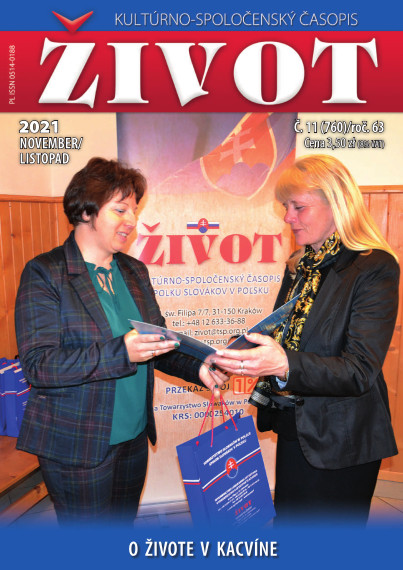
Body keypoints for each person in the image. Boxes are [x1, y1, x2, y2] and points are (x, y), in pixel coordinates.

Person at [14, 157, 225, 525]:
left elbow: (159, 343)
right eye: (120, 209)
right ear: (86, 212)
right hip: (77, 442)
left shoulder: (132, 270)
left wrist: (199, 368)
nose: (132, 220)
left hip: (133, 436)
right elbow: (39, 366)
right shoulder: (45, 272)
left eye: (135, 210)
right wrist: (121, 351)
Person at [212, 154, 399, 524]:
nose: (287, 217)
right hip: (296, 425)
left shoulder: (374, 267)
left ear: (337, 204)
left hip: (342, 439)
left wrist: (283, 364)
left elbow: (359, 370)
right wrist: (240, 352)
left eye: (298, 206)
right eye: (286, 206)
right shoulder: (301, 265)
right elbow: (282, 334)